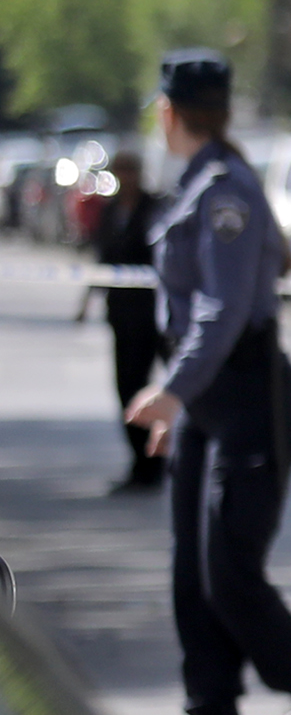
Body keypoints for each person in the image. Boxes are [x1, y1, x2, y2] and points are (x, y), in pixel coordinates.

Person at [128, 51, 291, 715]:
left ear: (170, 114)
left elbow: (222, 311)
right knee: (191, 576)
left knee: (230, 575)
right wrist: (182, 401)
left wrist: (171, 390)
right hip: (210, 402)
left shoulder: (226, 191)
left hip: (252, 400)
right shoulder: (199, 184)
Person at [91, 146, 164, 493]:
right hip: (121, 314)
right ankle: (140, 462)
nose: (125, 178)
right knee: (126, 387)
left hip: (153, 314)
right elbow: (103, 259)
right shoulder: (109, 211)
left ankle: (157, 460)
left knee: (156, 386)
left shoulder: (154, 209)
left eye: (130, 170)